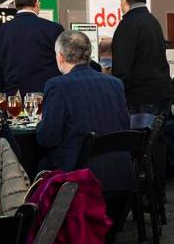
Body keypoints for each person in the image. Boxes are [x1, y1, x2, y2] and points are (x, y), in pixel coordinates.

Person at [36, 30, 130, 182]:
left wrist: (40, 123)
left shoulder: (57, 86)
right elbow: (124, 124)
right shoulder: (115, 84)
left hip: (78, 175)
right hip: (119, 171)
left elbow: (47, 138)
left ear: (60, 56)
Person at [0, 0, 63, 96]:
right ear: (36, 2)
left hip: (12, 99)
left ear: (15, 4)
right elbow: (63, 63)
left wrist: (1, 97)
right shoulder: (54, 29)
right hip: (46, 97)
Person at [112, 0, 173, 114]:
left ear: (124, 1)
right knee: (158, 133)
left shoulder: (127, 25)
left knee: (141, 133)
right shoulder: (154, 22)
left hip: (141, 97)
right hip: (162, 92)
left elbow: (122, 66)